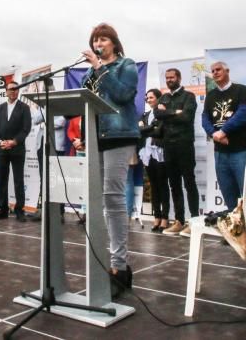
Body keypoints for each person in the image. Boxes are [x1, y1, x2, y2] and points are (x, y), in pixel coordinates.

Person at [81, 22, 141, 296]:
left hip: (119, 135)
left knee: (113, 197)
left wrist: (99, 67)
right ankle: (116, 264)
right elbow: (82, 100)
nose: (98, 43)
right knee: (104, 199)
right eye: (95, 39)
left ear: (114, 44)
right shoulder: (93, 72)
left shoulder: (126, 65)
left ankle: (119, 266)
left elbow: (123, 94)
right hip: (96, 138)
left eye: (103, 39)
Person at [201, 61, 246, 214]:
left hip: (241, 150)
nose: (215, 73)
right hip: (220, 152)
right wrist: (214, 135)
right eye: (213, 71)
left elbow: (244, 113)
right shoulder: (211, 95)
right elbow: (205, 118)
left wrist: (223, 131)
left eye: (218, 69)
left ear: (227, 71)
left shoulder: (241, 90)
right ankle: (234, 234)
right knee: (229, 195)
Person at [155, 67, 200, 237]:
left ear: (179, 78)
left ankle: (194, 222)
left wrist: (166, 113)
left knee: (189, 183)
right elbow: (158, 114)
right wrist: (174, 112)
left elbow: (187, 117)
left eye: (172, 77)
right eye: (167, 78)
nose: (169, 80)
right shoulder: (163, 97)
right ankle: (179, 221)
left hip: (184, 145)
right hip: (168, 146)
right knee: (174, 185)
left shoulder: (189, 96)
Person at [0, 82, 31, 221]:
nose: (13, 91)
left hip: (17, 149)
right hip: (2, 149)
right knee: (1, 180)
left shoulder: (24, 108)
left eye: (15, 89)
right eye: (10, 89)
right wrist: (0, 142)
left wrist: (14, 141)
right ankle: (3, 210)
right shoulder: (0, 108)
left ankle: (20, 210)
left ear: (18, 92)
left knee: (18, 180)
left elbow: (26, 129)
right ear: (6, 91)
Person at [139, 89, 169, 232]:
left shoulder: (161, 114)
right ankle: (156, 217)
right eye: (147, 98)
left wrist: (146, 129)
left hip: (160, 152)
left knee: (163, 185)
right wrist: (149, 128)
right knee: (154, 186)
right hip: (147, 153)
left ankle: (165, 218)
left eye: (151, 97)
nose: (148, 100)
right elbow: (139, 131)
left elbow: (158, 132)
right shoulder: (145, 115)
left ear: (158, 98)